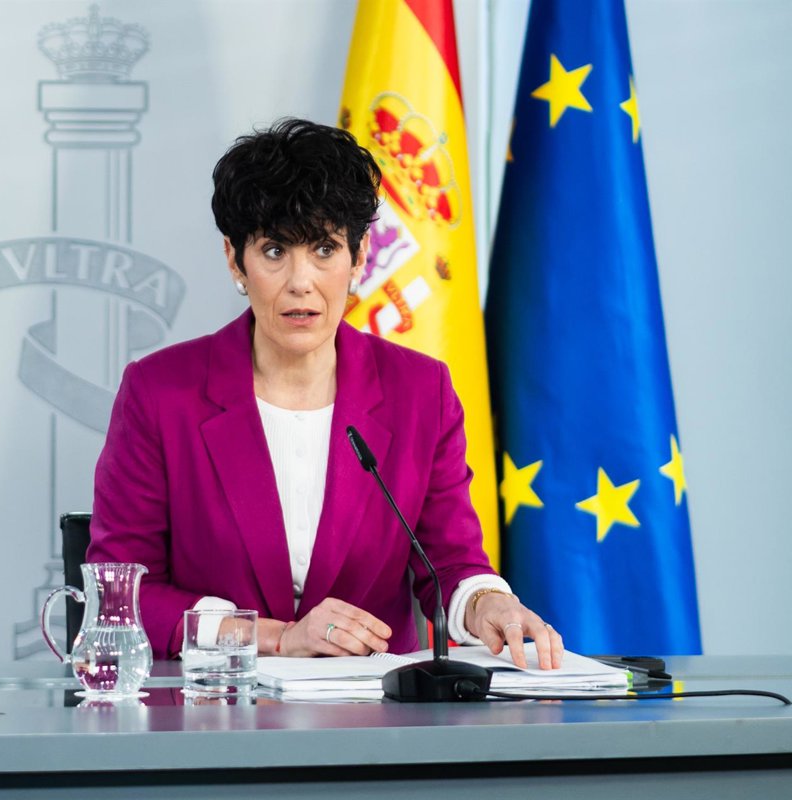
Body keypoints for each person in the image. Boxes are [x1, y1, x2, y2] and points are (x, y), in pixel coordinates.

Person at [88, 118, 563, 669]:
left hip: (374, 711)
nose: (300, 281)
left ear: (359, 257)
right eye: (273, 251)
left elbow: (451, 565)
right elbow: (120, 593)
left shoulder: (420, 392)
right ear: (234, 259)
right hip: (217, 703)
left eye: (324, 248)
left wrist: (487, 604)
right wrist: (272, 637)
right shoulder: (159, 393)